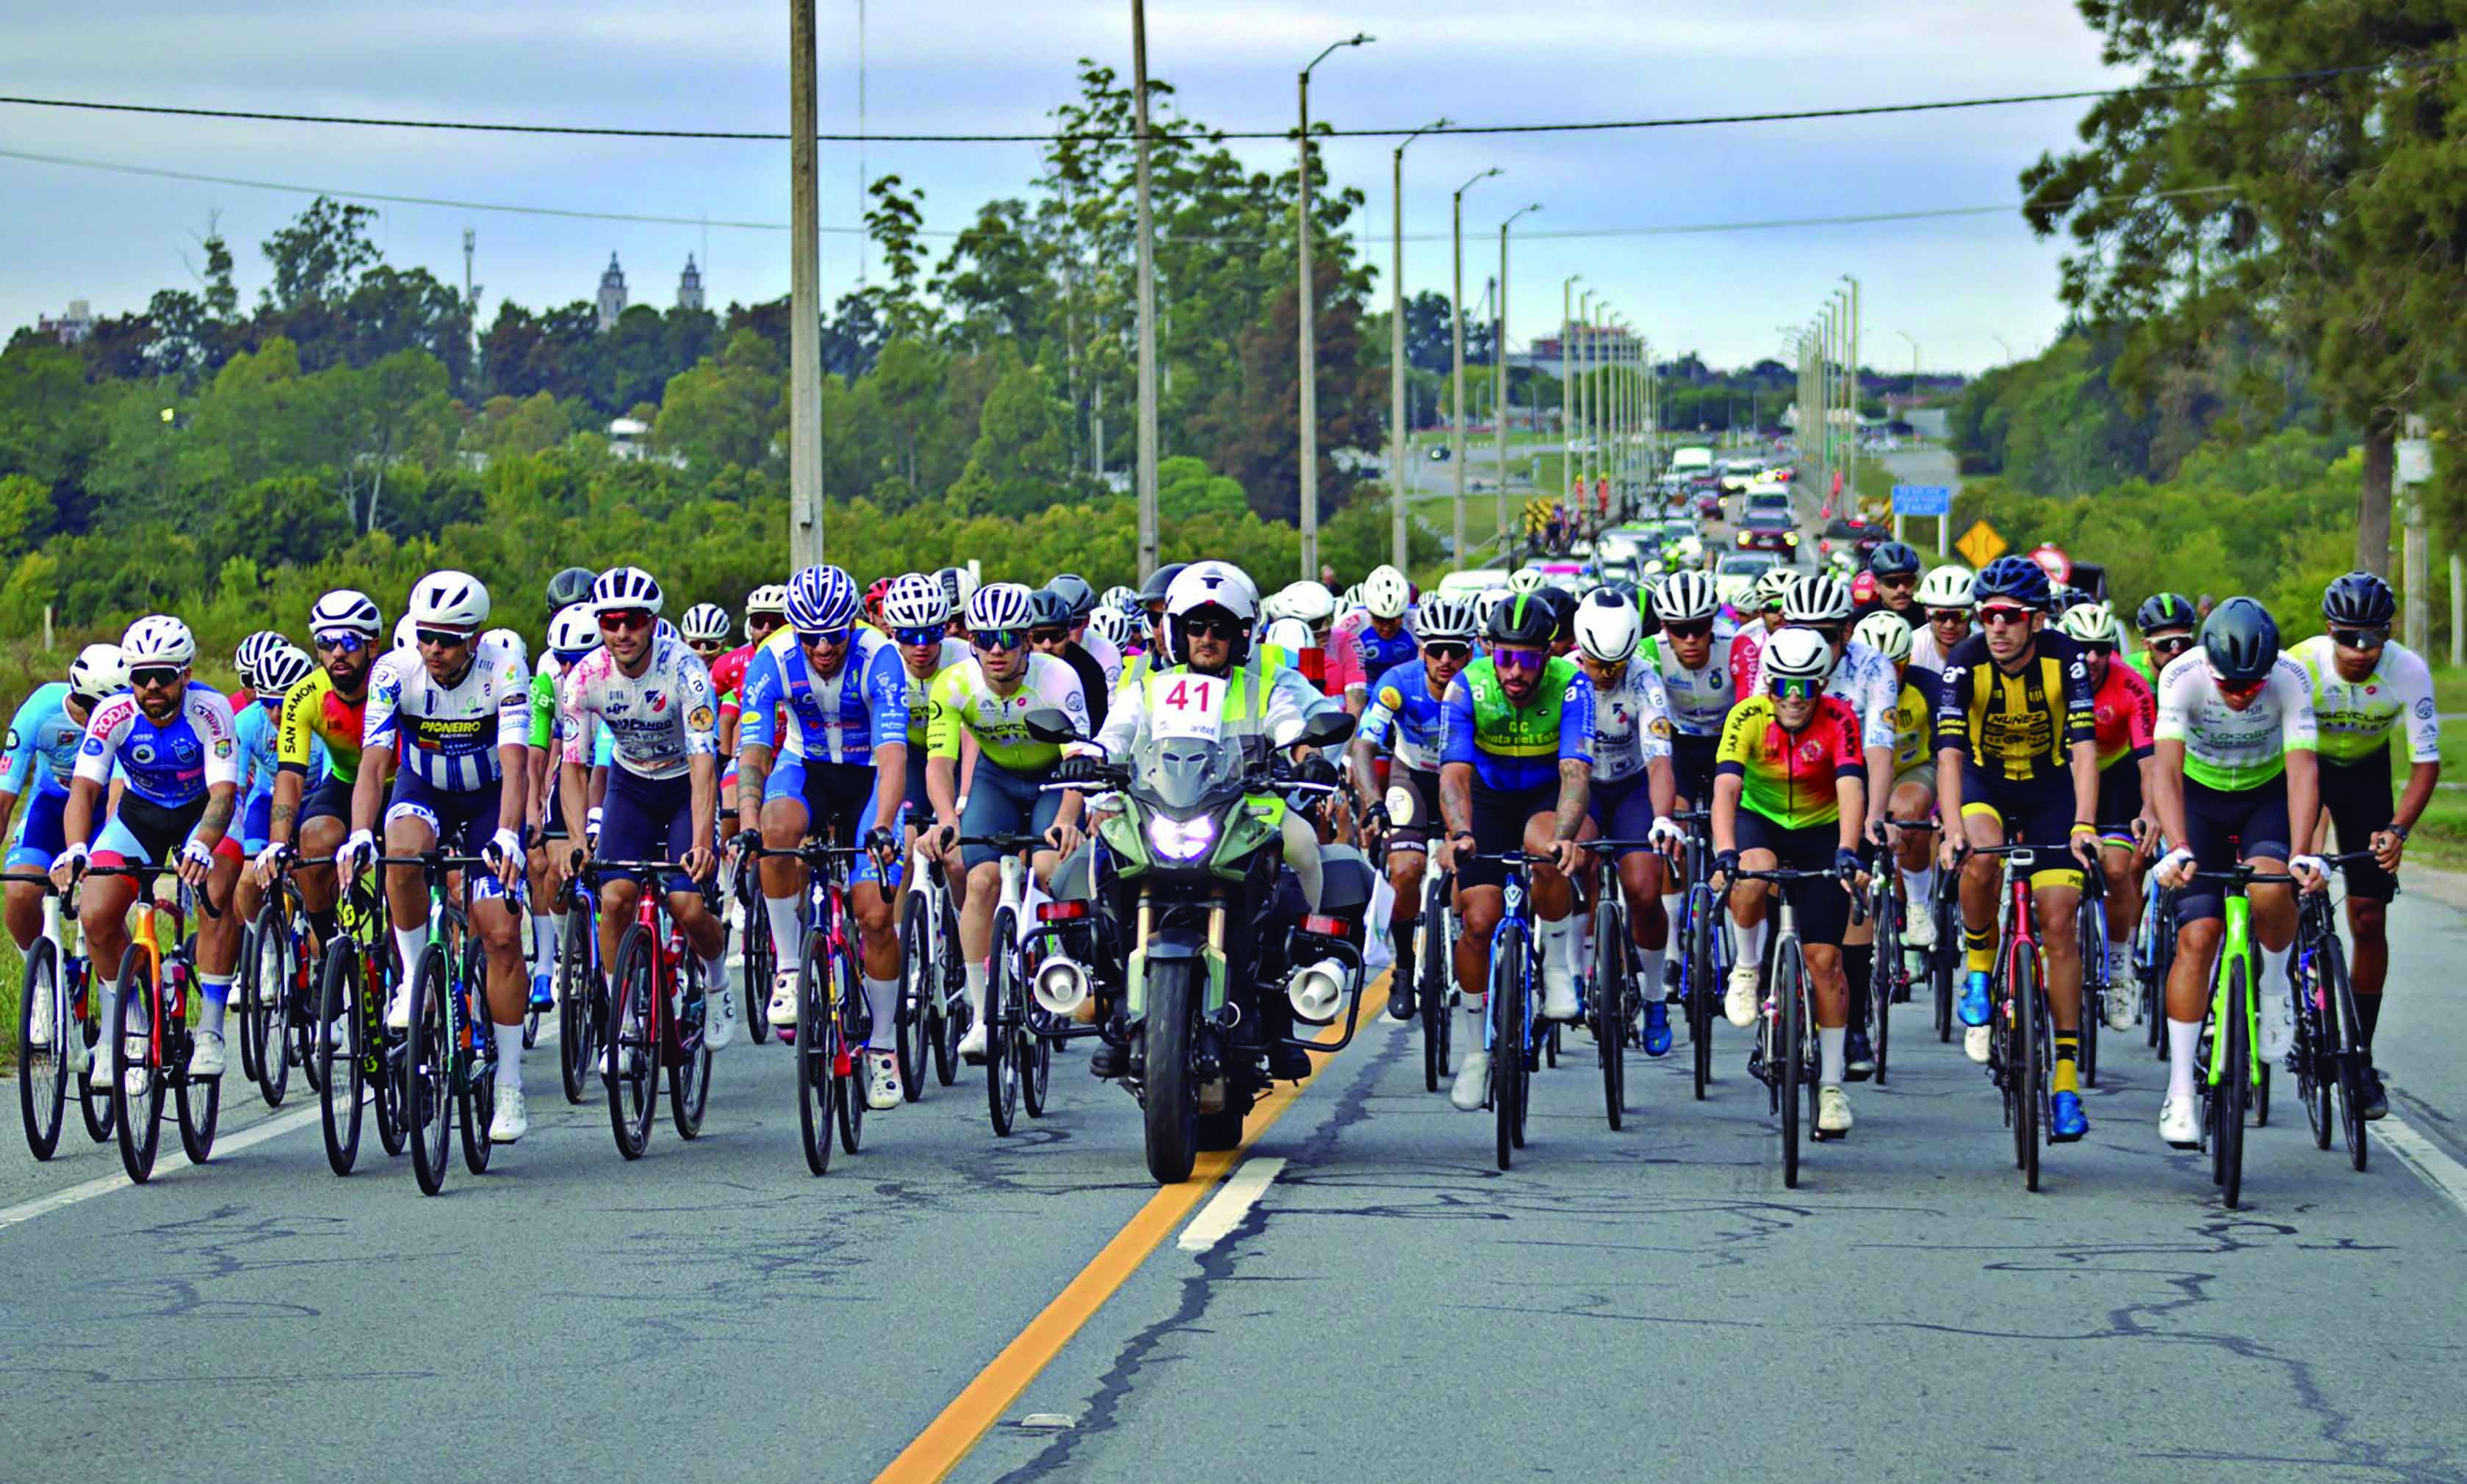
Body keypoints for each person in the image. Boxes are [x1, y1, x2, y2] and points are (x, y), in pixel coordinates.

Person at [1087, 562, 1339, 1080]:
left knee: (1304, 845)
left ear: (1240, 636)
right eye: (1196, 627)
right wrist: (1087, 757)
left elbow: (1289, 722)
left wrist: (1305, 753)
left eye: (1220, 629)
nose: (1207, 638)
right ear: (1178, 633)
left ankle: (1294, 987)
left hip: (1246, 813)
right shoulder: (1151, 688)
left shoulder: (1261, 686)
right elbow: (1114, 733)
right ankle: (1113, 1004)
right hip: (1162, 812)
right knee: (1098, 861)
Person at [339, 572, 536, 1141]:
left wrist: (507, 835)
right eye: (425, 636)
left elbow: (517, 761)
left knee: (498, 933)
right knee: (399, 855)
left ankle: (508, 1085)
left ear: (473, 639)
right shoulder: (394, 671)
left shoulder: (504, 667)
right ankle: (412, 983)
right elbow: (376, 761)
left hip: (490, 796)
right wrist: (359, 833)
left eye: (447, 640)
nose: (434, 649)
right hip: (424, 789)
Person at [1932, 555, 2101, 1142]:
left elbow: (2084, 750)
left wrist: (2083, 822)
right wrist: (1952, 828)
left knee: (2060, 923)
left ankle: (2064, 1080)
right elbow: (1949, 757)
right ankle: (1979, 966)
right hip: (1987, 784)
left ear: (2036, 621)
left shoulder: (2066, 659)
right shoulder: (1965, 662)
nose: (1996, 627)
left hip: (2051, 792)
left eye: (2010, 616)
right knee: (1979, 858)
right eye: (1988, 616)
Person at [2148, 596, 2326, 1147]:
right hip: (2199, 801)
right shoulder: (2181, 676)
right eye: (2230, 684)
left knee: (2273, 890)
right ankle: (2180, 1091)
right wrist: (2178, 847)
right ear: (2209, 665)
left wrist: (2303, 852)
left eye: (2252, 686)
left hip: (2263, 797)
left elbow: (2302, 770)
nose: (2241, 694)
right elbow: (2167, 773)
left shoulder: (2291, 678)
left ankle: (2275, 991)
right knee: (2198, 938)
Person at [734, 564, 907, 1104]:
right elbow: (755, 753)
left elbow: (894, 756)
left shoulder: (880, 657)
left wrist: (881, 827)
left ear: (851, 626)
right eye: (812, 637)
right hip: (806, 767)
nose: (824, 647)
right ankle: (789, 965)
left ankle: (883, 1048)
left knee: (875, 917)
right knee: (774, 829)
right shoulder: (774, 659)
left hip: (868, 779)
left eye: (835, 634)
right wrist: (745, 823)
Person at [54, 617, 244, 1082]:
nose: (152, 685)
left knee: (217, 892)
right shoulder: (113, 715)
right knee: (96, 913)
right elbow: (83, 792)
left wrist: (201, 845)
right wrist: (77, 847)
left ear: (187, 673)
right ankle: (133, 1022)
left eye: (164, 674)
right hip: (140, 815)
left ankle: (211, 1031)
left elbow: (223, 795)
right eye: (141, 676)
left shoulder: (211, 710)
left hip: (204, 811)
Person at [1436, 591, 1596, 1111]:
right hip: (1485, 796)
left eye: (1528, 659)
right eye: (1504, 657)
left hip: (1544, 793)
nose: (1516, 671)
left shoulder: (1572, 685)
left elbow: (1575, 773)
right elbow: (1454, 776)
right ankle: (1476, 1053)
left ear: (1547, 655)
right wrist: (1460, 833)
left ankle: (1554, 970)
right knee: (1479, 921)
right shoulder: (1467, 686)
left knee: (1545, 846)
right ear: (1488, 651)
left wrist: (1567, 833)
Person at [924, 582, 1092, 1065]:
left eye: (1010, 637)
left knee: (1046, 867)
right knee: (980, 881)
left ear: (1026, 639)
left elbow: (1077, 758)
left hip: (1051, 778)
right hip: (995, 781)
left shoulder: (1057, 677)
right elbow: (940, 761)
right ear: (971, 641)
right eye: (984, 639)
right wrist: (944, 820)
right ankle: (981, 1016)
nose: (996, 649)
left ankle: (1058, 960)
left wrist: (1066, 821)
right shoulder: (954, 683)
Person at [2291, 571, 2437, 1119]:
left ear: (2388, 632)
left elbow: (2426, 764)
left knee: (2369, 918)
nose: (2359, 651)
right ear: (2329, 629)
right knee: (2291, 890)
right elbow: (2294, 761)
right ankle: (2294, 1003)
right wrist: (2305, 841)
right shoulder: (2300, 664)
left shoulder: (2407, 670)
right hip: (2305, 768)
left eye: (2372, 638)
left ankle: (2360, 1057)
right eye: (2348, 637)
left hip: (2367, 779)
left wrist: (2397, 830)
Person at [1713, 627, 1868, 1137]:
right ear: (1768, 685)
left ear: (1822, 684)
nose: (1794, 699)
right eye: (1783, 686)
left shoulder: (1840, 717)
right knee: (1752, 871)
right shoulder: (1747, 718)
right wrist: (1724, 852)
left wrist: (1849, 849)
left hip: (1822, 831)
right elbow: (1727, 789)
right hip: (1762, 822)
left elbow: (1850, 786)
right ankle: (1747, 968)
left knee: (1826, 961)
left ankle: (1830, 1085)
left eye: (1806, 687)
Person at [1350, 594, 1476, 1021]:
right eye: (1435, 649)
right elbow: (1365, 745)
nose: (1445, 660)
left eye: (1455, 651)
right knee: (1404, 869)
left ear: (1470, 652)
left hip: (1466, 781)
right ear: (1421, 650)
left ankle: (1466, 942)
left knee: (1469, 879)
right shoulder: (1397, 683)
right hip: (1414, 778)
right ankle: (1404, 965)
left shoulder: (1481, 685)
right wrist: (1372, 802)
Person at [1569, 590, 1685, 1056]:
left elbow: (1659, 761)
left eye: (1616, 664)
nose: (1607, 674)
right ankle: (1574, 974)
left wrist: (1662, 819)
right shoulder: (1565, 677)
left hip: (1632, 786)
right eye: (1599, 663)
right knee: (1574, 862)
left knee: (1643, 888)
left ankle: (1655, 998)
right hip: (1581, 785)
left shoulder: (1646, 681)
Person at [253, 588, 385, 968]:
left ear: (372, 645)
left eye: (349, 641)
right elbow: (290, 777)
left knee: (403, 865)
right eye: (327, 643)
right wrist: (278, 844)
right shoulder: (305, 695)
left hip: (400, 783)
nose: (337, 653)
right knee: (312, 840)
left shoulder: (393, 682)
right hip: (346, 781)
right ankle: (329, 951)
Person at [1, 644, 126, 1042]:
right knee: (20, 891)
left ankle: (115, 1006)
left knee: (103, 903)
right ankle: (44, 985)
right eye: (104, 705)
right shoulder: (41, 709)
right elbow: (6, 794)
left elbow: (118, 799)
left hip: (103, 807)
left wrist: (100, 857)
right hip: (51, 808)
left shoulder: (124, 719)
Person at [2053, 601, 2158, 1031]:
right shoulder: (2047, 680)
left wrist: (2151, 808)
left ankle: (2119, 969)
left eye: (2101, 648)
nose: (2092, 659)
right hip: (2060, 778)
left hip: (2114, 781)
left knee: (2119, 870)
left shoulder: (2132, 686)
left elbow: (2148, 761)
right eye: (2081, 648)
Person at [1852, 609, 1944, 957]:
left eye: (1895, 667)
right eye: (1875, 668)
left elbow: (1948, 749)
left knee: (1908, 814)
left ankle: (1918, 905)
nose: (1885, 678)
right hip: (1859, 774)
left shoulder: (1928, 687)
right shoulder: (1843, 686)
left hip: (1911, 768)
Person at [1327, 564, 1419, 716]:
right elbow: (1333, 667)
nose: (1387, 627)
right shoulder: (1351, 623)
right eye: (1379, 619)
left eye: (1395, 619)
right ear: (1368, 611)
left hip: (1406, 689)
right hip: (1365, 690)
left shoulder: (1416, 620)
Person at [1029, 586, 1113, 735]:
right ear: (1025, 638)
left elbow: (1095, 729)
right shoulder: (1011, 664)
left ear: (1068, 636)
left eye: (1055, 636)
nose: (1047, 645)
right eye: (1038, 637)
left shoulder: (1090, 670)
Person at [1909, 564, 1976, 670]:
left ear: (1972, 615)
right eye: (1940, 615)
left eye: (1958, 616)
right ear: (1927, 614)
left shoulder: (1985, 649)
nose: (1949, 625)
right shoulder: (1913, 647)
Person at [2126, 591, 2198, 689]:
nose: (2176, 650)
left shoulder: (2203, 671)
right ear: (2146, 644)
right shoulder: (2127, 672)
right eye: (2165, 643)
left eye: (2183, 642)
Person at [1859, 541, 1926, 628]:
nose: (1901, 589)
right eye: (1892, 582)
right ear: (1876, 586)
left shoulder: (1927, 619)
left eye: (1908, 581)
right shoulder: (1861, 620)